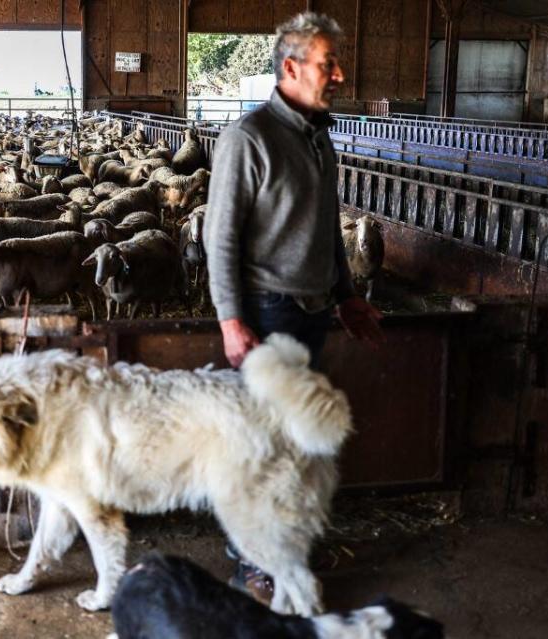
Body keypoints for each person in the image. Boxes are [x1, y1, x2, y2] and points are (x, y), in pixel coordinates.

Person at [203, 12, 385, 602]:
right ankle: (249, 562)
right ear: (291, 67)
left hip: (310, 312)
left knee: (295, 441)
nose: (339, 74)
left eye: (337, 63)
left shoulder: (318, 136)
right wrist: (232, 319)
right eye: (328, 63)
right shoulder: (247, 138)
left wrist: (348, 297)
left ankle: (283, 545)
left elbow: (329, 228)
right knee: (263, 442)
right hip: (266, 312)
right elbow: (221, 236)